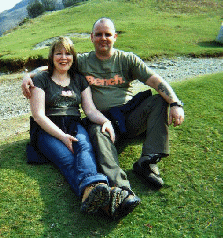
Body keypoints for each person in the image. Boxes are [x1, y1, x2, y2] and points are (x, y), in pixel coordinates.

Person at [23, 17, 185, 211]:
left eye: (107, 34)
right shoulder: (81, 61)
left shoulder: (127, 59)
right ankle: (121, 190)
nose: (103, 38)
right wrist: (28, 75)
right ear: (91, 37)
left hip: (128, 115)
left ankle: (148, 161)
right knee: (94, 138)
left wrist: (175, 102)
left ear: (115, 37)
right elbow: (56, 64)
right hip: (97, 120)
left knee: (159, 99)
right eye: (98, 34)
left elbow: (155, 80)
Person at [27, 36, 140, 218]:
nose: (64, 57)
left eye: (68, 53)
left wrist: (105, 121)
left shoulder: (79, 79)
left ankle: (94, 193)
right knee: (67, 159)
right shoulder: (42, 79)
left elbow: (90, 109)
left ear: (73, 57)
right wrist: (62, 136)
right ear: (52, 56)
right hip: (47, 128)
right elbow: (38, 115)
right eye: (59, 53)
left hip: (73, 123)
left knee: (85, 148)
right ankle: (103, 197)